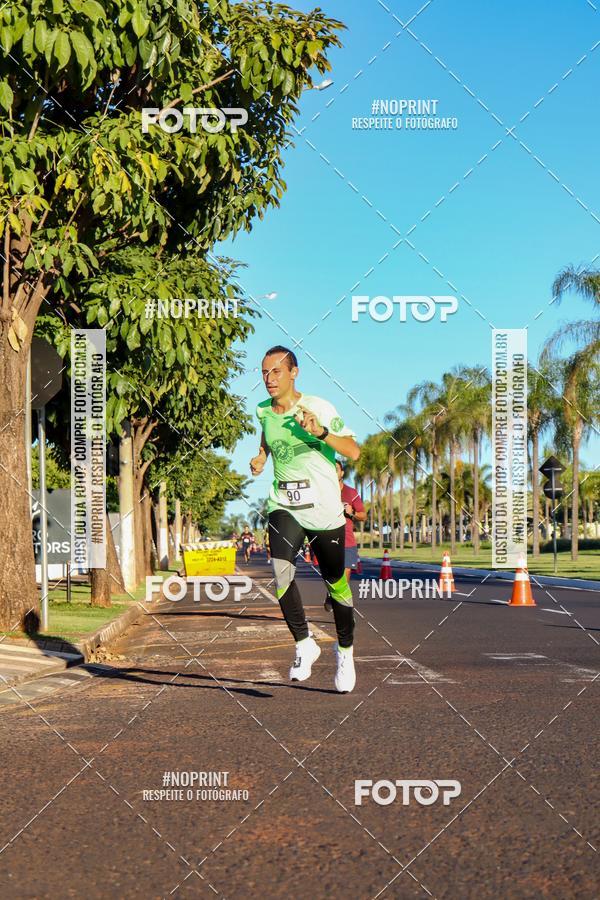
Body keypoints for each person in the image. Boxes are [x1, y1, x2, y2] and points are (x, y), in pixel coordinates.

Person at [250, 345, 361, 693]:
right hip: (284, 503)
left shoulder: (319, 407)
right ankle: (304, 643)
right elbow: (267, 436)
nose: (269, 379)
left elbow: (355, 451)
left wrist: (321, 433)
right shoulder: (263, 410)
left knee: (336, 585)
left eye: (276, 372)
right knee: (281, 571)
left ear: (293, 373)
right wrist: (261, 457)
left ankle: (345, 652)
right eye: (264, 372)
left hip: (324, 508)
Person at [324, 460, 366, 611]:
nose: (333, 472)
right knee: (332, 574)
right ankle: (331, 593)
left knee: (345, 575)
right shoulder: (323, 492)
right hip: (328, 539)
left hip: (347, 540)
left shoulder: (351, 492)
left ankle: (342, 607)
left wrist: (352, 512)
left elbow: (363, 515)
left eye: (336, 469)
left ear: (341, 473)